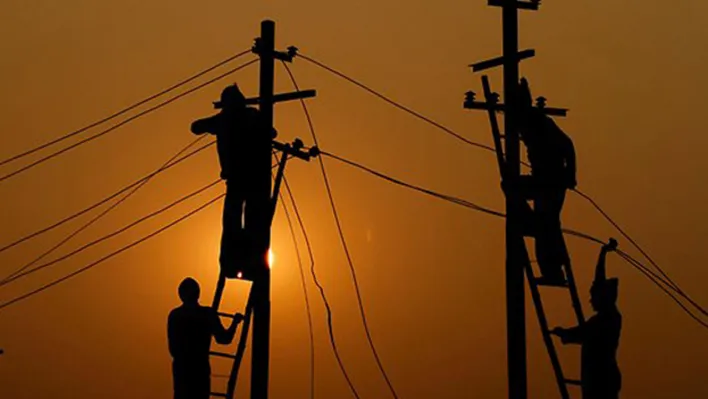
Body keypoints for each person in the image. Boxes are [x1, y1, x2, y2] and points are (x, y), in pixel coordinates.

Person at [191, 84, 275, 278]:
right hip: (251, 180)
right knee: (245, 221)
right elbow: (196, 127)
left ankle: (240, 262)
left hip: (246, 180)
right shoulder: (242, 117)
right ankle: (244, 261)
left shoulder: (228, 118)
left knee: (236, 222)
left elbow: (196, 127)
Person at [517, 78, 577, 286]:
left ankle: (553, 269)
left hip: (552, 181)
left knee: (547, 223)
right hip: (542, 181)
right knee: (546, 222)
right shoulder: (523, 121)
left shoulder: (539, 121)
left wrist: (571, 174)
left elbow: (567, 144)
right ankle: (531, 224)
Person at [552, 239, 622, 399]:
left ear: (603, 298)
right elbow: (599, 278)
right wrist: (603, 253)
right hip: (598, 379)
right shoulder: (607, 317)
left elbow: (583, 333)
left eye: (594, 297)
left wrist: (564, 333)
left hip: (601, 382)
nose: (591, 301)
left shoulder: (607, 320)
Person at [168, 277, 244, 399]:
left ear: (180, 295)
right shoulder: (207, 314)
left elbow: (172, 349)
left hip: (182, 373)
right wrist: (234, 323)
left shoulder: (175, 315)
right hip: (199, 372)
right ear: (198, 293)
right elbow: (223, 339)